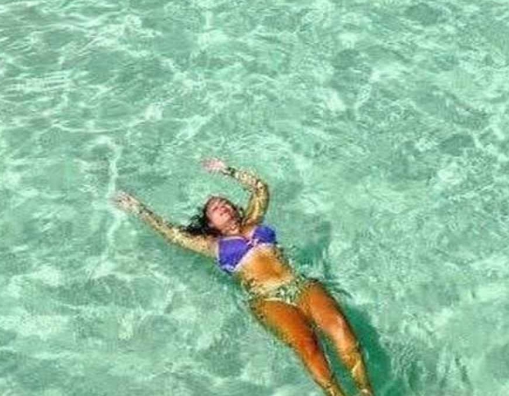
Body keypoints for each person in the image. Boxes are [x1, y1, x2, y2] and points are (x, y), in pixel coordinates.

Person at [114, 160, 374, 396]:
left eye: (225, 202)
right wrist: (139, 209)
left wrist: (227, 170)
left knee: (340, 328)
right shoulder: (212, 245)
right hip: (268, 300)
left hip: (300, 284)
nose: (223, 206)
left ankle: (366, 392)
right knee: (308, 345)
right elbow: (172, 233)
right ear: (210, 223)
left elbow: (261, 188)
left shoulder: (254, 219)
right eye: (216, 208)